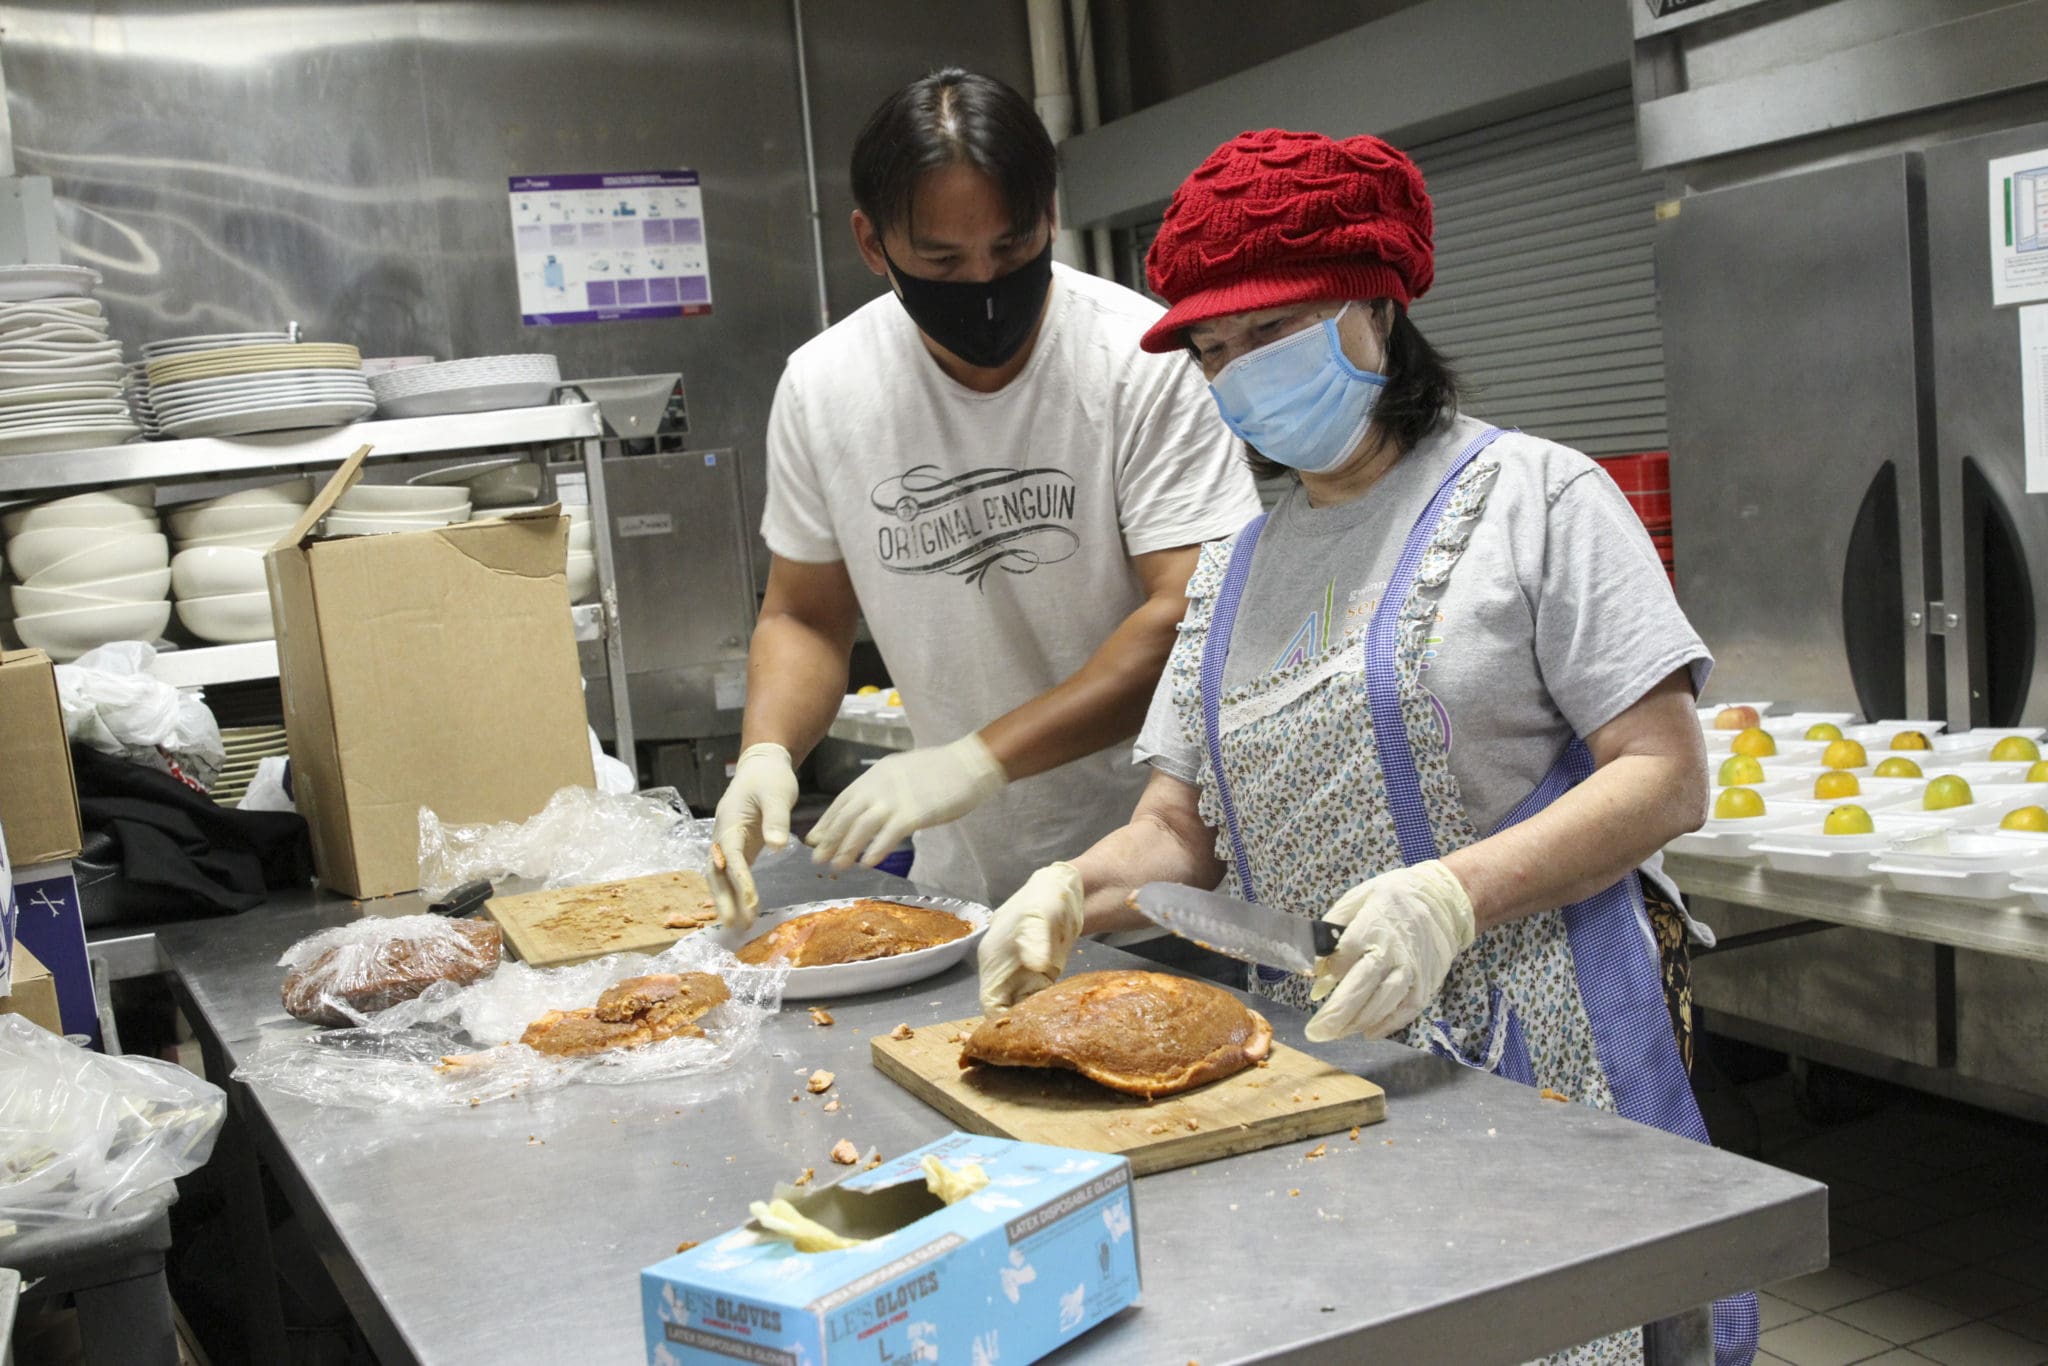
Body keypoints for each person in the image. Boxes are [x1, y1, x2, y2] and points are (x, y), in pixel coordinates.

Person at [975, 129, 1758, 1366]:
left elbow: (1663, 772)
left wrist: (1451, 896)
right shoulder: (1232, 565)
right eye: (1213, 349)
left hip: (1535, 1049)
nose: (1238, 372)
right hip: (1318, 1062)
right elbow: (1176, 833)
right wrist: (1072, 892)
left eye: (1269, 331)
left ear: (1373, 308)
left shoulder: (1536, 499)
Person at [707, 69, 1260, 925]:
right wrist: (767, 752)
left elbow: (1189, 617)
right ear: (870, 242)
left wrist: (975, 760)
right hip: (962, 886)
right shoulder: (825, 387)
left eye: (1010, 248)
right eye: (941, 260)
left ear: (1049, 216)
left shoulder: (1138, 361)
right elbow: (805, 617)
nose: (985, 284)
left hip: (1162, 879)